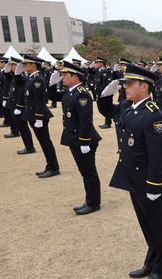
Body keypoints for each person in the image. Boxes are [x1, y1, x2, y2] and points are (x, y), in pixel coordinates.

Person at [98, 64, 162, 279]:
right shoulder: (128, 107)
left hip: (148, 181)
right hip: (132, 178)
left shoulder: (154, 116)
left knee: (157, 226)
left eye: (130, 84)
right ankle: (151, 262)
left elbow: (159, 158)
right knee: (146, 225)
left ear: (144, 86)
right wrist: (105, 94)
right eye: (124, 83)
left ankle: (161, 269)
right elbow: (106, 110)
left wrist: (154, 185)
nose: (125, 87)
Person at [57, 61, 102, 215]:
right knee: (84, 172)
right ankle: (90, 200)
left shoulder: (82, 93)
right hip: (73, 137)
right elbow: (52, 96)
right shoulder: (70, 91)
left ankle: (94, 203)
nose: (62, 77)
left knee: (89, 172)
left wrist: (84, 141)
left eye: (65, 74)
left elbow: (86, 119)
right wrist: (50, 85)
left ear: (74, 77)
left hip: (83, 140)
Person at [16, 55, 60, 178]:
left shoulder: (37, 80)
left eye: (26, 64)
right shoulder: (32, 77)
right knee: (43, 142)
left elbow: (40, 101)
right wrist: (17, 73)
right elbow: (19, 83)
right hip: (33, 115)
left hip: (38, 116)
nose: (24, 66)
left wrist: (39, 118)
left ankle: (53, 167)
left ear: (33, 65)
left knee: (45, 142)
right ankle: (50, 165)